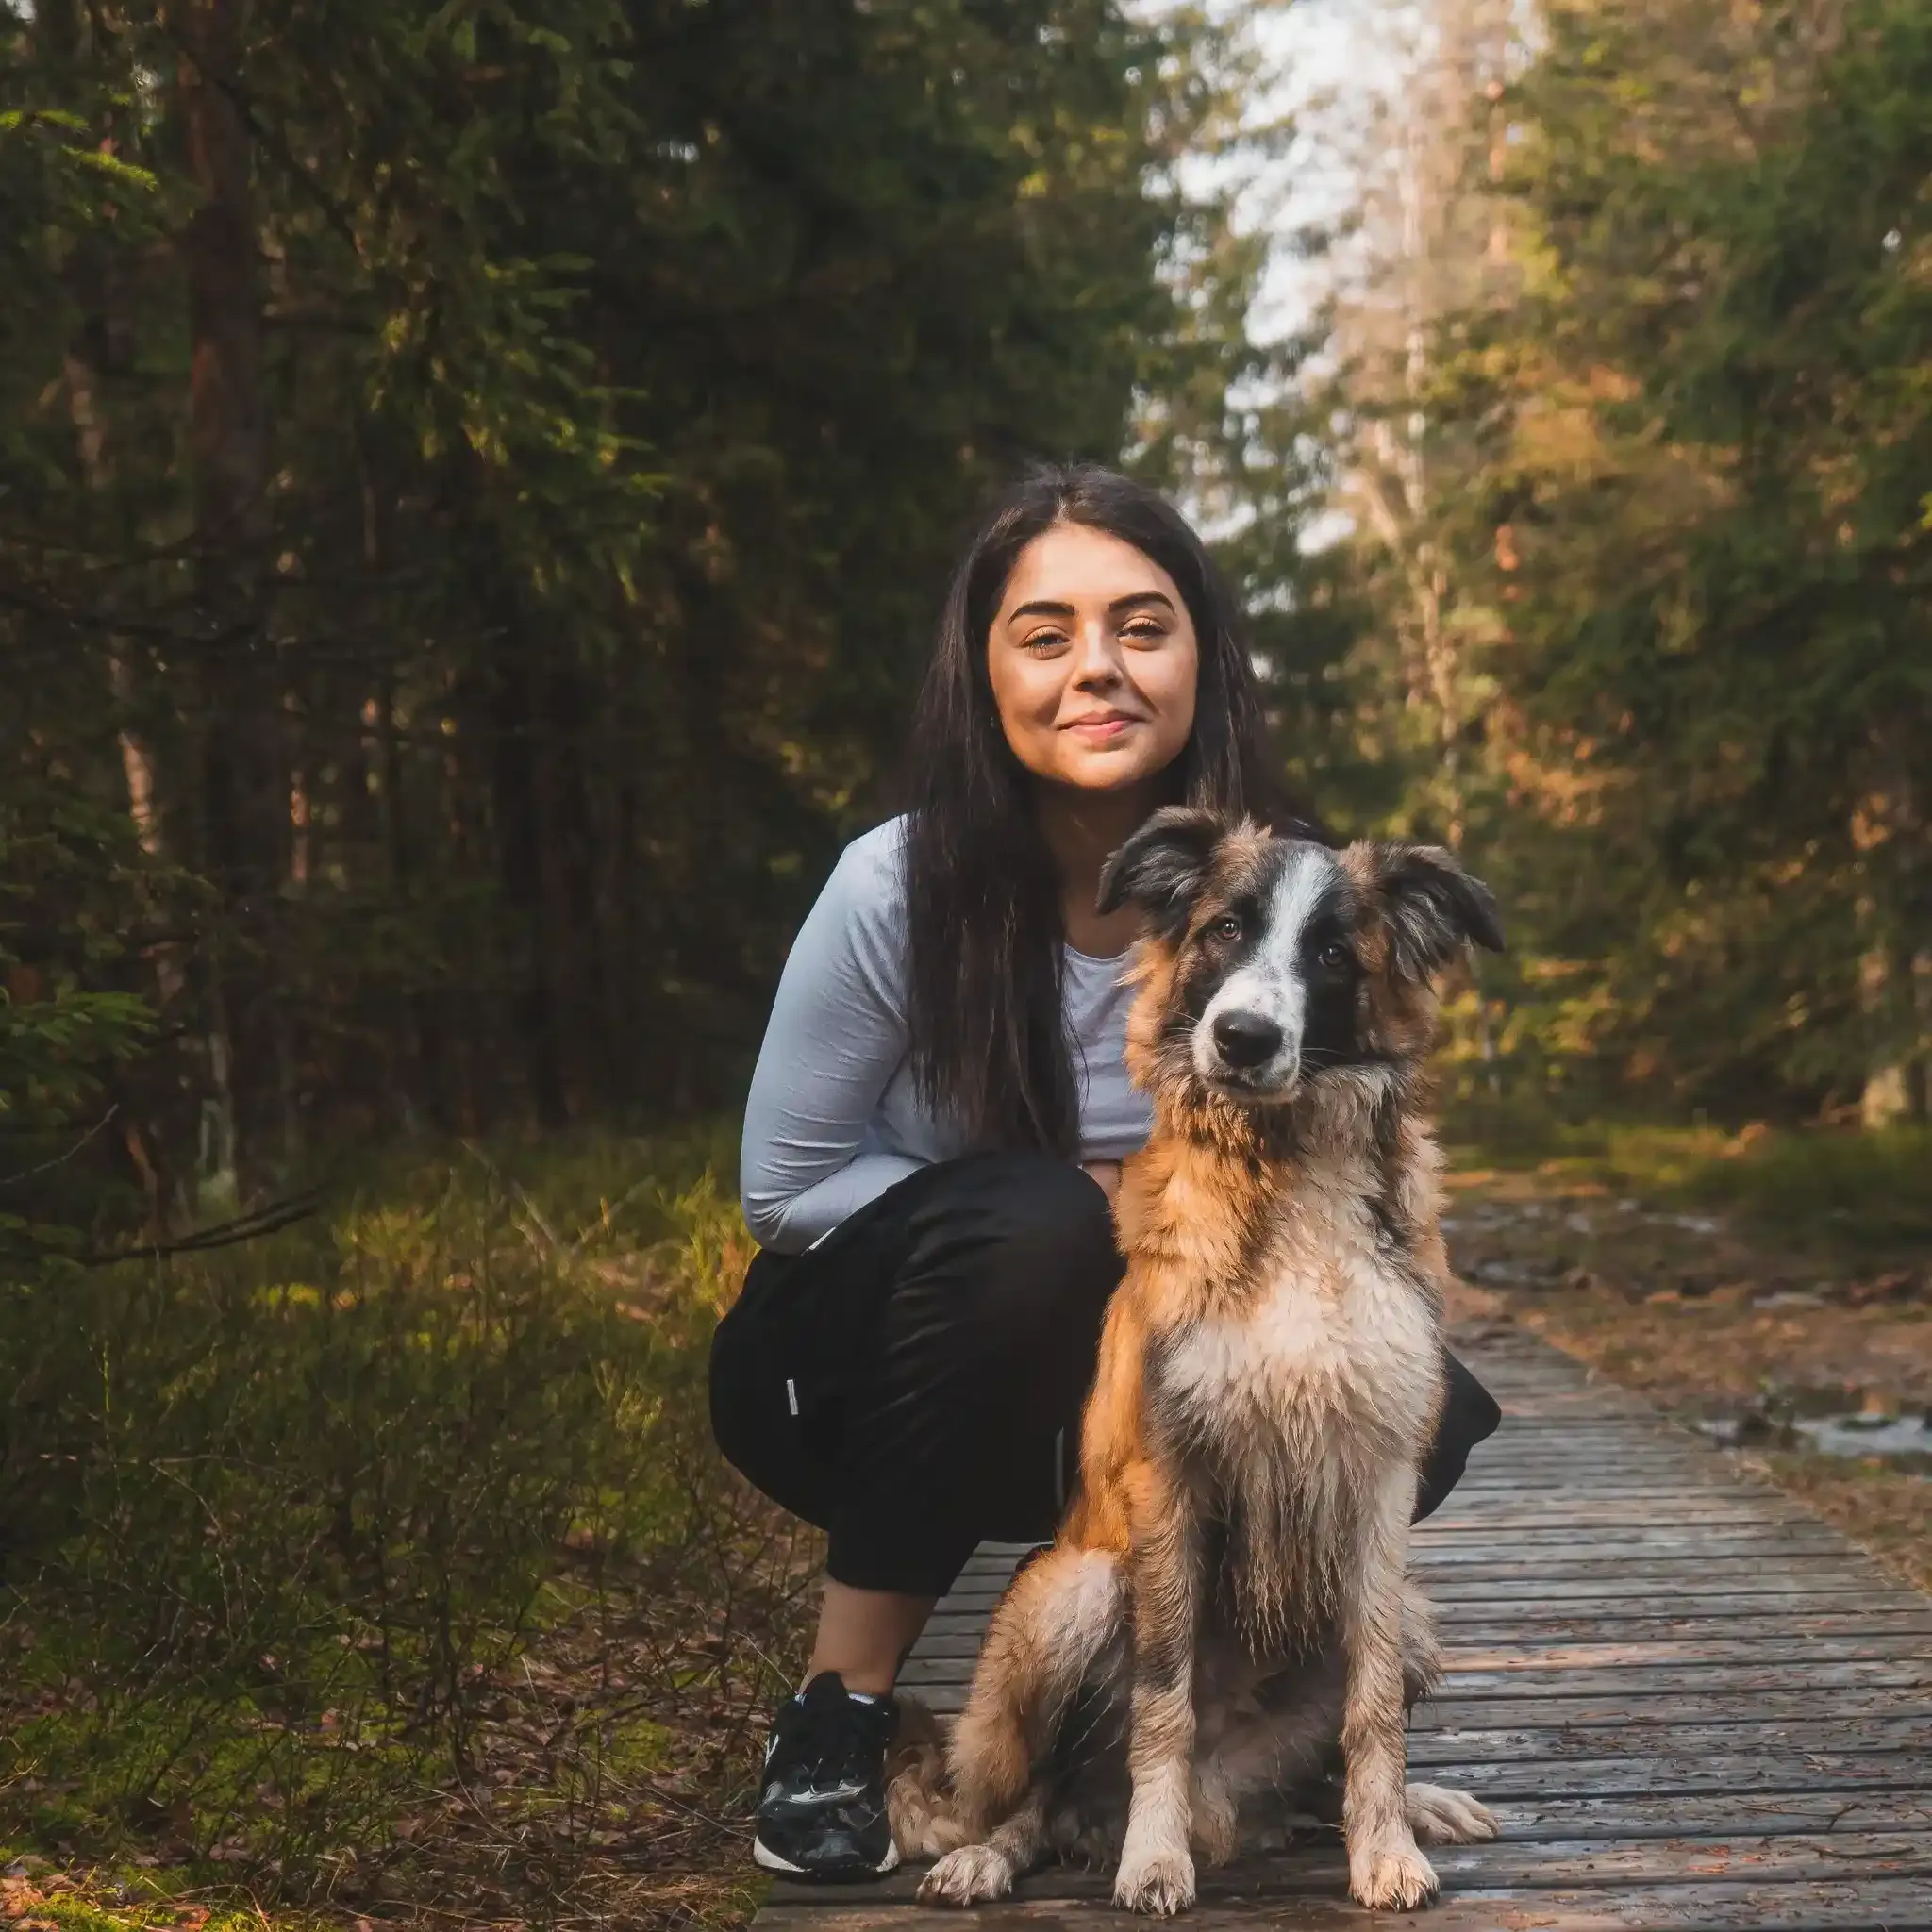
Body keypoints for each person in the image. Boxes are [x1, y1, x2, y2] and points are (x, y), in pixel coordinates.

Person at [708, 464, 1501, 1879]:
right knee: (1030, 1229)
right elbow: (783, 1189)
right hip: (876, 1370)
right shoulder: (898, 886)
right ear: (984, 670)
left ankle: (1263, 1738)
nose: (1098, 668)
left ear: (1204, 656)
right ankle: (840, 1711)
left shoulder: (1278, 883)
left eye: (1142, 626)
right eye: (1046, 633)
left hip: (1135, 1369)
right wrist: (1077, 1198)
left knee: (1415, 1400)